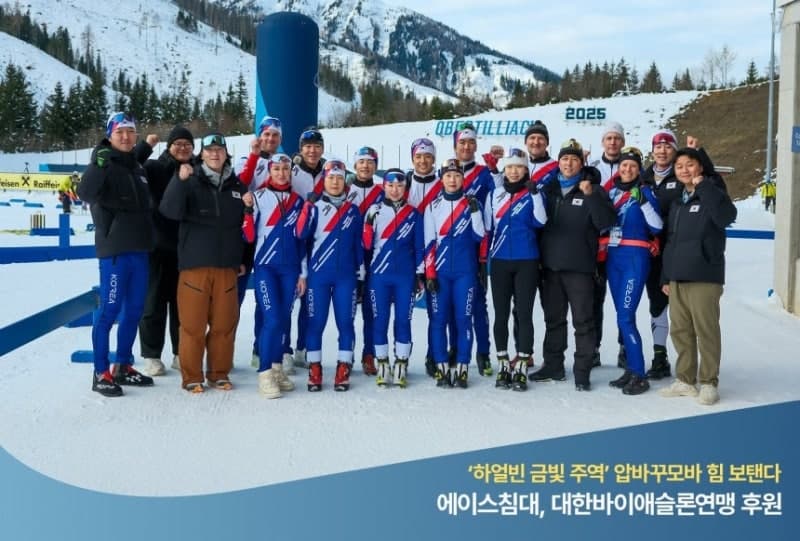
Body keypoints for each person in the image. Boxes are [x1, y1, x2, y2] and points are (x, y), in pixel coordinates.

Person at [160, 133, 255, 393]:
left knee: (224, 325)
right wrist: (179, 182)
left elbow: (247, 228)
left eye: (219, 150)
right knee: (192, 326)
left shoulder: (238, 187)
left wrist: (244, 260)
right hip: (195, 267)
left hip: (227, 268)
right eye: (209, 150)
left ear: (226, 153)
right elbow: (169, 211)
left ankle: (218, 373)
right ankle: (192, 376)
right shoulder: (189, 180)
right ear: (202, 154)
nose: (215, 154)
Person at [76, 112, 155, 397]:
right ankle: (101, 372)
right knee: (109, 312)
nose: (125, 136)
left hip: (140, 250)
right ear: (110, 135)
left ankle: (123, 365)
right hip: (115, 253)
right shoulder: (104, 163)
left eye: (130, 132)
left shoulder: (135, 166)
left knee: (134, 311)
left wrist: (147, 148)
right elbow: (84, 192)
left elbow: (133, 172)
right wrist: (97, 165)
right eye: (119, 132)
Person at [532, 139, 616, 391]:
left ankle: (582, 370)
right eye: (565, 159)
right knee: (553, 320)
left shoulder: (593, 190)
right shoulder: (549, 190)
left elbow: (606, 221)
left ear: (581, 163)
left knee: (583, 321)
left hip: (580, 268)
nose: (568, 163)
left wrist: (590, 195)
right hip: (551, 267)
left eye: (574, 159)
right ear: (558, 163)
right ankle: (553, 365)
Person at [659, 147, 737, 405]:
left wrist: (703, 185)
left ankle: (708, 382)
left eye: (690, 164)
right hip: (678, 277)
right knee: (680, 331)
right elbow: (670, 241)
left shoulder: (712, 193)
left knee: (706, 331)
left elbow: (726, 216)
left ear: (700, 167)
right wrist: (666, 276)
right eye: (679, 166)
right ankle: (685, 379)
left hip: (705, 274)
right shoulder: (678, 202)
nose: (684, 169)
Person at [295, 159, 364, 392]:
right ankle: (315, 368)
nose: (335, 182)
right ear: (324, 180)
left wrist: (360, 275)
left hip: (346, 277)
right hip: (318, 277)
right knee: (316, 323)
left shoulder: (353, 211)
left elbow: (358, 246)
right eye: (331, 178)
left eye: (339, 178)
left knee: (346, 323)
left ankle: (343, 366)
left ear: (345, 181)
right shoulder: (313, 207)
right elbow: (301, 237)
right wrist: (303, 273)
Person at [133, 125, 195, 377]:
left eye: (187, 145)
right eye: (177, 143)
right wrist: (145, 146)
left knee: (184, 306)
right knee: (153, 304)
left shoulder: (195, 170)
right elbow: (129, 165)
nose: (182, 148)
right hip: (157, 247)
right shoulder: (153, 167)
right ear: (168, 146)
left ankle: (181, 353)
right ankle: (152, 355)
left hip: (186, 249)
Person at [483, 148, 547, 391]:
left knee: (523, 313)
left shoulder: (533, 193)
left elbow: (541, 222)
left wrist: (536, 196)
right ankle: (502, 362)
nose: (513, 171)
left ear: (525, 170)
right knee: (500, 314)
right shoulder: (495, 194)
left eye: (518, 167)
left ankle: (521, 363)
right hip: (499, 261)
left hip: (527, 261)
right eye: (509, 167)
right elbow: (488, 227)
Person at [601, 147, 663, 395]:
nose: (627, 169)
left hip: (635, 259)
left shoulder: (645, 191)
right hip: (614, 257)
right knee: (622, 317)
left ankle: (639, 373)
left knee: (625, 317)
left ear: (638, 170)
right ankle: (631, 369)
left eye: (632, 166)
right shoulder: (612, 191)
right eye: (624, 165)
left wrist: (644, 203)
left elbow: (657, 226)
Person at [423, 158, 486, 389]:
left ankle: (462, 367)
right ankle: (441, 367)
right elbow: (429, 242)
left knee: (463, 320)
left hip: (465, 272)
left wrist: (475, 212)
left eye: (457, 176)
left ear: (462, 178)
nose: (452, 179)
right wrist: (429, 273)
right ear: (442, 178)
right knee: (438, 320)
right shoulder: (433, 206)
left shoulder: (472, 202)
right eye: (448, 176)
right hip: (440, 273)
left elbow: (480, 236)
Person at [249, 154, 305, 398]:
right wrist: (245, 212)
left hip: (290, 269)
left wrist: (302, 273)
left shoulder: (299, 201)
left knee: (282, 319)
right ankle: (264, 374)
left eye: (286, 169)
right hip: (266, 268)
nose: (282, 173)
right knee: (271, 319)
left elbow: (304, 242)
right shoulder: (259, 197)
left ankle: (276, 366)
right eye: (277, 169)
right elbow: (248, 236)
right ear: (269, 172)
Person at [236, 116, 289, 372]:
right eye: (266, 134)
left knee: (271, 298)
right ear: (259, 136)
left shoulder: (285, 164)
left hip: (273, 240)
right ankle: (224, 353)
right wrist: (255, 156)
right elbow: (239, 185)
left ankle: (267, 349)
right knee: (239, 298)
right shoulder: (247, 160)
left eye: (275, 136)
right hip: (247, 238)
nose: (270, 139)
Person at [362, 168, 424, 387]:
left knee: (403, 321)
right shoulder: (374, 211)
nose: (395, 190)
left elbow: (419, 248)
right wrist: (368, 226)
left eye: (400, 186)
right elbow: (367, 246)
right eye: (391, 185)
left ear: (405, 188)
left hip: (405, 278)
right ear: (384, 187)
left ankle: (401, 361)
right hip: (379, 276)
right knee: (379, 321)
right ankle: (382, 362)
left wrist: (420, 274)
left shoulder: (415, 214)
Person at [452, 122, 494, 376]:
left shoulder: (484, 173)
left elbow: (491, 213)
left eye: (470, 143)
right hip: (452, 251)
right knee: (453, 307)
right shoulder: (445, 172)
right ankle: (456, 350)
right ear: (455, 146)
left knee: (478, 305)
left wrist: (483, 254)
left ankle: (484, 353)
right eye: (462, 143)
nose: (466, 147)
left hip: (477, 248)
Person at [589, 121, 627, 368]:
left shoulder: (630, 166)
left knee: (624, 300)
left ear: (622, 142)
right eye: (609, 138)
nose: (613, 142)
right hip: (597, 243)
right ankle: (593, 348)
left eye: (617, 138)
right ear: (603, 142)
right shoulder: (592, 168)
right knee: (595, 300)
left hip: (625, 243)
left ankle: (626, 347)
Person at [405, 137, 444, 378]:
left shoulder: (442, 183)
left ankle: (434, 355)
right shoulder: (405, 182)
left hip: (435, 255)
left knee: (435, 311)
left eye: (427, 156)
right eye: (418, 156)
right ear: (412, 158)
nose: (423, 161)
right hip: (406, 255)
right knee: (404, 311)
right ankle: (402, 356)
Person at [346, 146, 385, 376]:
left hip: (374, 258)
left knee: (372, 309)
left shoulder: (382, 191)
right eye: (361, 162)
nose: (365, 166)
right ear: (355, 165)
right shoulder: (345, 189)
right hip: (349, 257)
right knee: (348, 310)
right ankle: (346, 355)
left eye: (370, 162)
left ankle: (369, 354)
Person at [290, 128, 327, 369]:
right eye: (307, 146)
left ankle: (302, 347)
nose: (312, 151)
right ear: (301, 149)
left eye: (316, 146)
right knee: (289, 298)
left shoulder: (329, 172)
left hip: (320, 244)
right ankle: (279, 350)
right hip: (293, 241)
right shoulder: (292, 172)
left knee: (310, 301)